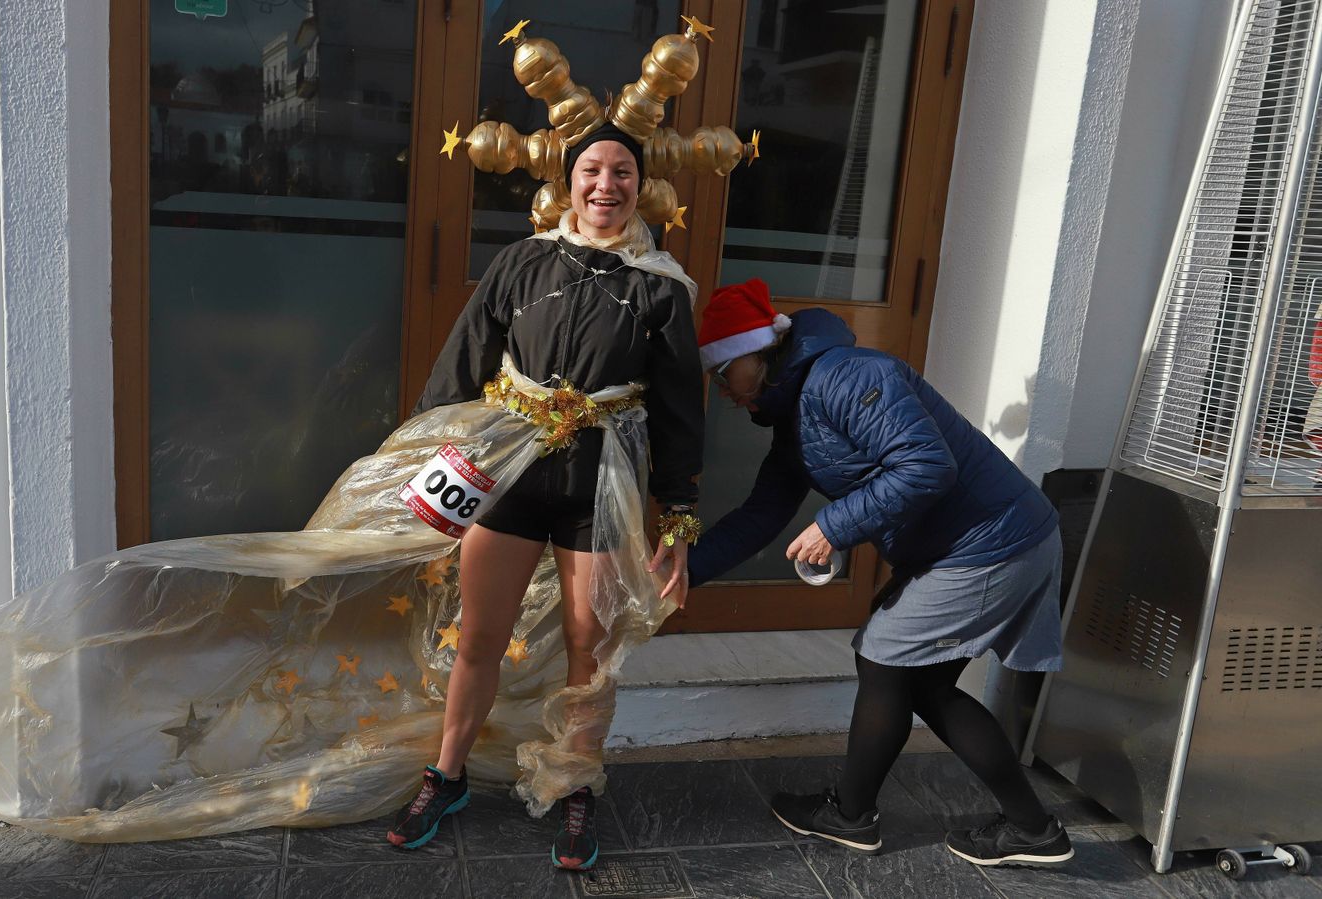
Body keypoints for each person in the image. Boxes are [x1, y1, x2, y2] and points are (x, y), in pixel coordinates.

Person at [384, 123, 704, 870]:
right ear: (568, 183)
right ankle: (448, 774)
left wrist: (679, 519)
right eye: (591, 169)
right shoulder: (522, 262)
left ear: (640, 185)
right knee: (479, 636)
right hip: (512, 472)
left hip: (602, 482)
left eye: (622, 172)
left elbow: (682, 412)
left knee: (590, 648)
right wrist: (432, 464)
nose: (605, 184)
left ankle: (575, 784)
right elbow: (461, 362)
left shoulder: (661, 288)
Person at [685, 278, 1075, 867]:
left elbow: (925, 465)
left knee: (885, 657)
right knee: (917, 680)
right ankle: (1023, 828)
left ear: (755, 351)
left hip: (995, 541)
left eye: (721, 374)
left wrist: (832, 527)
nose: (721, 391)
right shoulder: (794, 415)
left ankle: (855, 815)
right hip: (973, 543)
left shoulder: (846, 376)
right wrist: (682, 574)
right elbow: (760, 516)